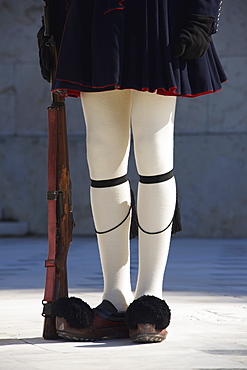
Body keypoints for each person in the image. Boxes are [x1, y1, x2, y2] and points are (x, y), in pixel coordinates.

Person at [38, 0, 226, 343]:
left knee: (154, 152)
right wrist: (52, 23)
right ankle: (116, 294)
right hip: (93, 13)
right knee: (103, 156)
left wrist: (202, 15)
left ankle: (150, 295)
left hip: (155, 14)